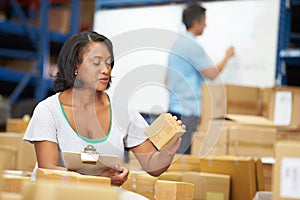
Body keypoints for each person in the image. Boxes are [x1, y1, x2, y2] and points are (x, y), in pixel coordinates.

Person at [23, 31, 184, 187]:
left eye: (109, 63)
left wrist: (169, 150)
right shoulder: (48, 110)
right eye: (96, 62)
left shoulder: (123, 111)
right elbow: (49, 170)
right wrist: (99, 180)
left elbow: (151, 165)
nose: (106, 69)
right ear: (75, 66)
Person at [166, 3, 235, 154]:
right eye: (204, 21)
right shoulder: (191, 45)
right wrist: (228, 56)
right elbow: (211, 74)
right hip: (187, 113)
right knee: (184, 159)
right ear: (196, 23)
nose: (206, 25)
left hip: (174, 110)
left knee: (173, 157)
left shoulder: (176, 43)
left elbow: (166, 79)